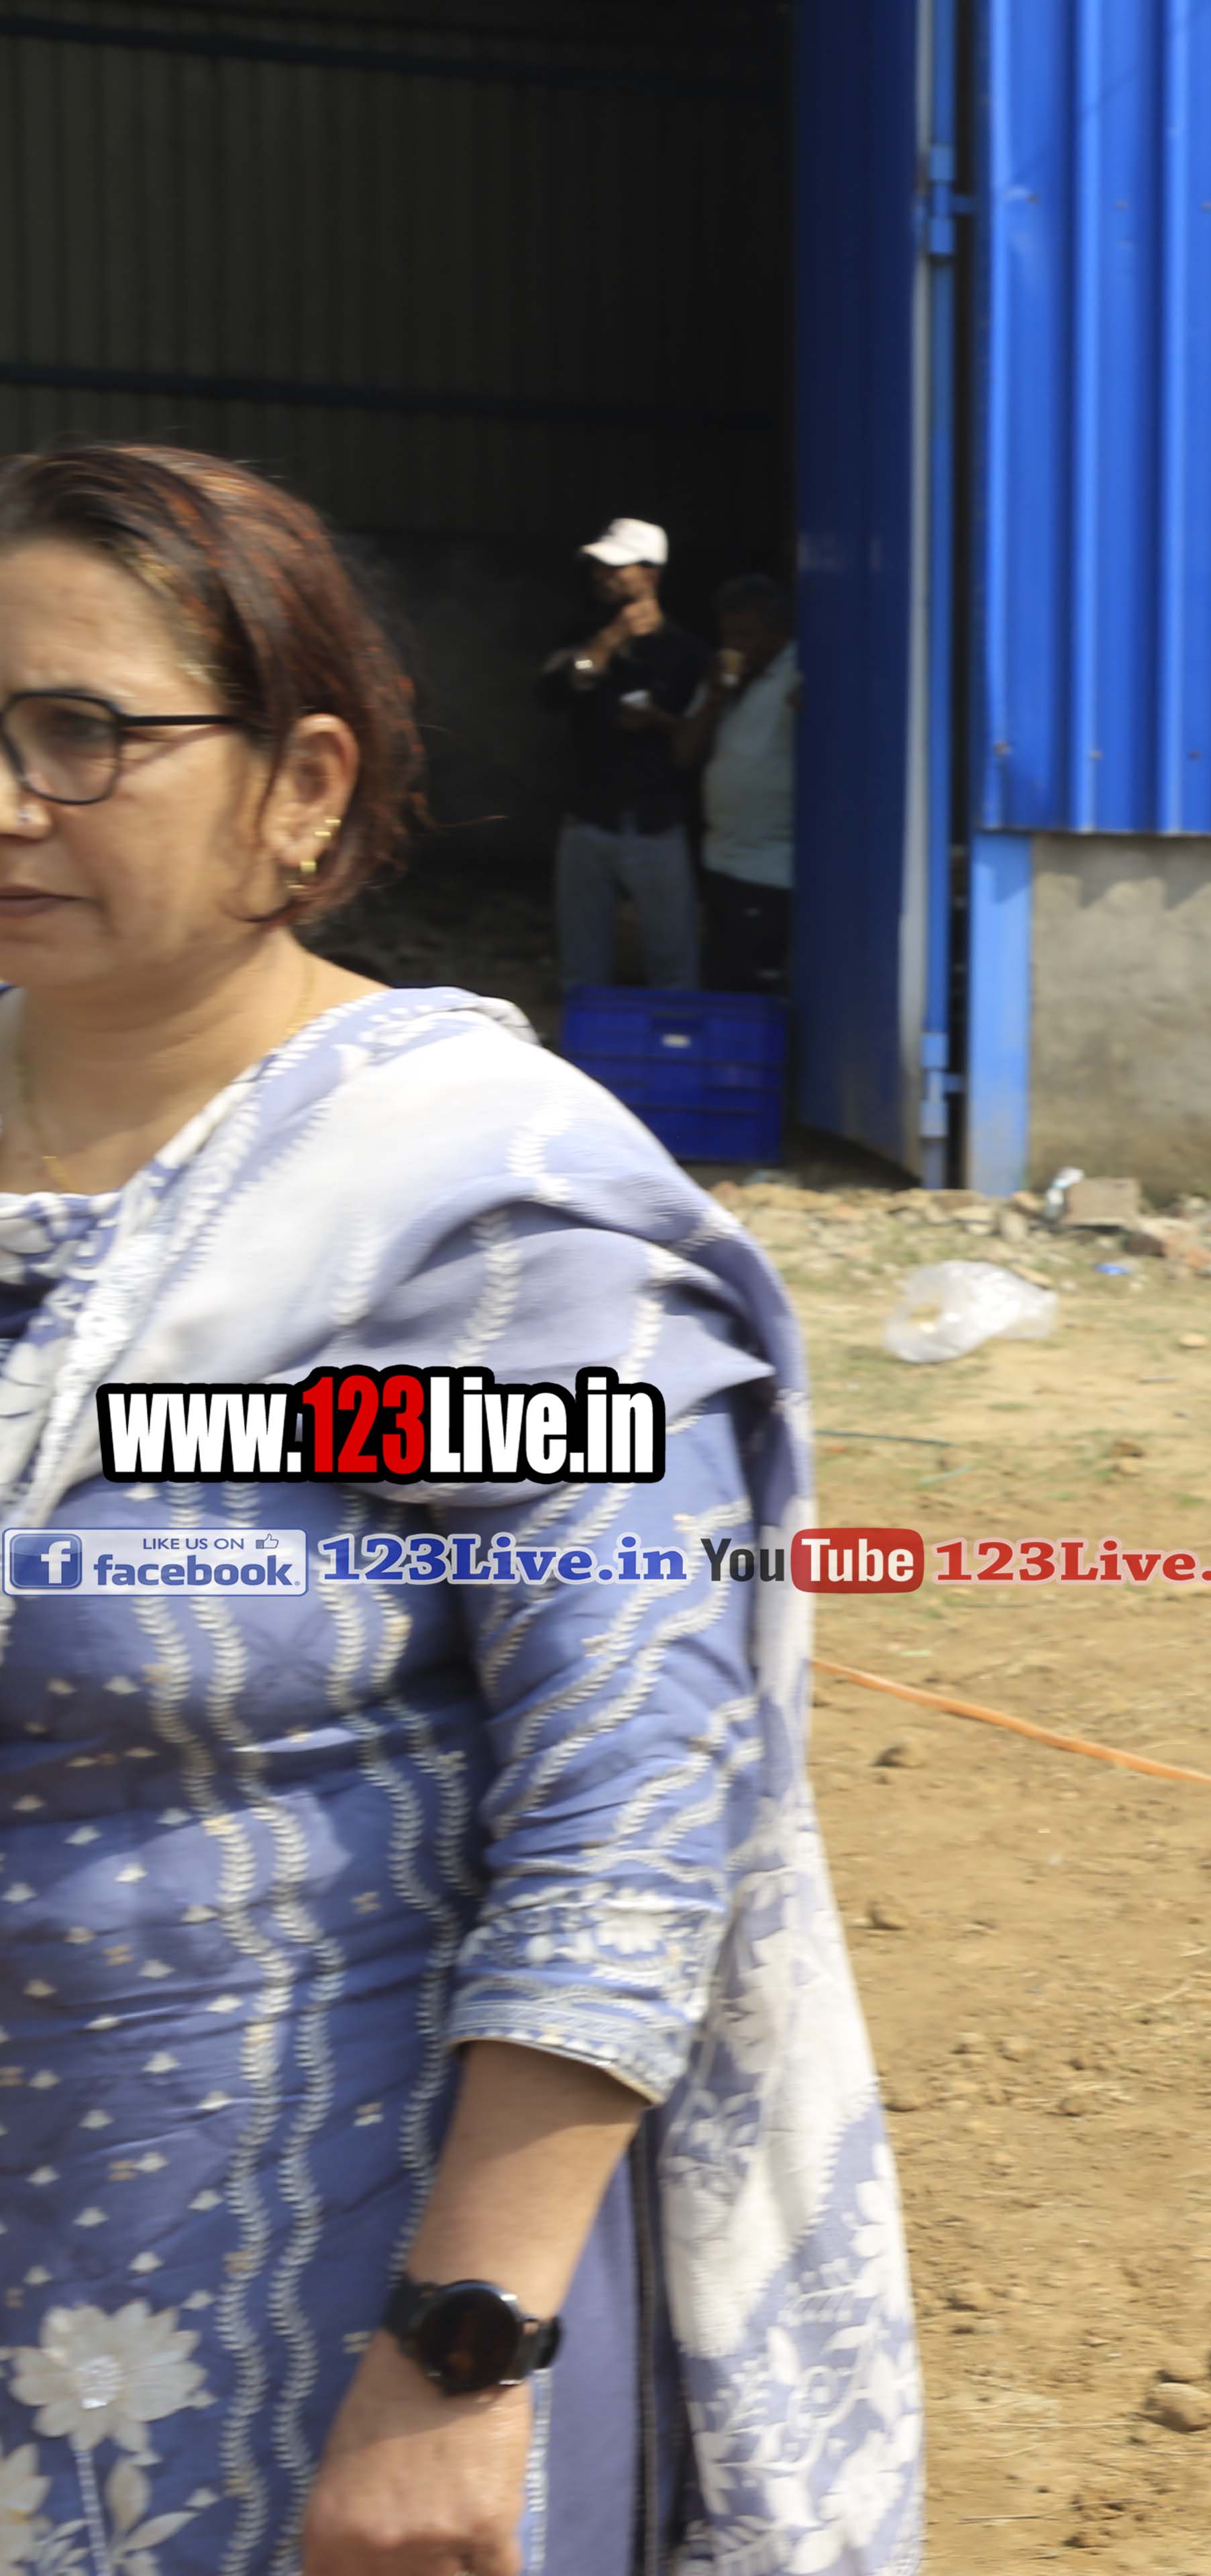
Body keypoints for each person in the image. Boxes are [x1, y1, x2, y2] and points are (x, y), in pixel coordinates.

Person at [0, 443, 916, 2573]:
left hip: (293, 2319)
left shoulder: (467, 1227)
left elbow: (633, 1793)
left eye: (83, 733)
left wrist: (461, 2347)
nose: (11, 800)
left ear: (302, 787)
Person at [539, 516, 708, 993]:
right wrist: (607, 642)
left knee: (673, 964)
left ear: (651, 573)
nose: (602, 576)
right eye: (598, 567)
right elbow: (551, 694)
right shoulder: (583, 636)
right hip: (588, 820)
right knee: (581, 967)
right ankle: (584, 1039)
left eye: (616, 567)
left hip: (657, 824)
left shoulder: (687, 652)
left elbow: (700, 739)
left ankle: (671, 1039)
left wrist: (658, 720)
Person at [668, 572, 798, 995]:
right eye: (728, 635)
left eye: (747, 635)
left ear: (778, 633)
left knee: (755, 986)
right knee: (722, 980)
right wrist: (714, 697)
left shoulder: (798, 675)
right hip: (721, 859)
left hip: (771, 866)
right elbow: (684, 755)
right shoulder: (723, 679)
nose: (736, 645)